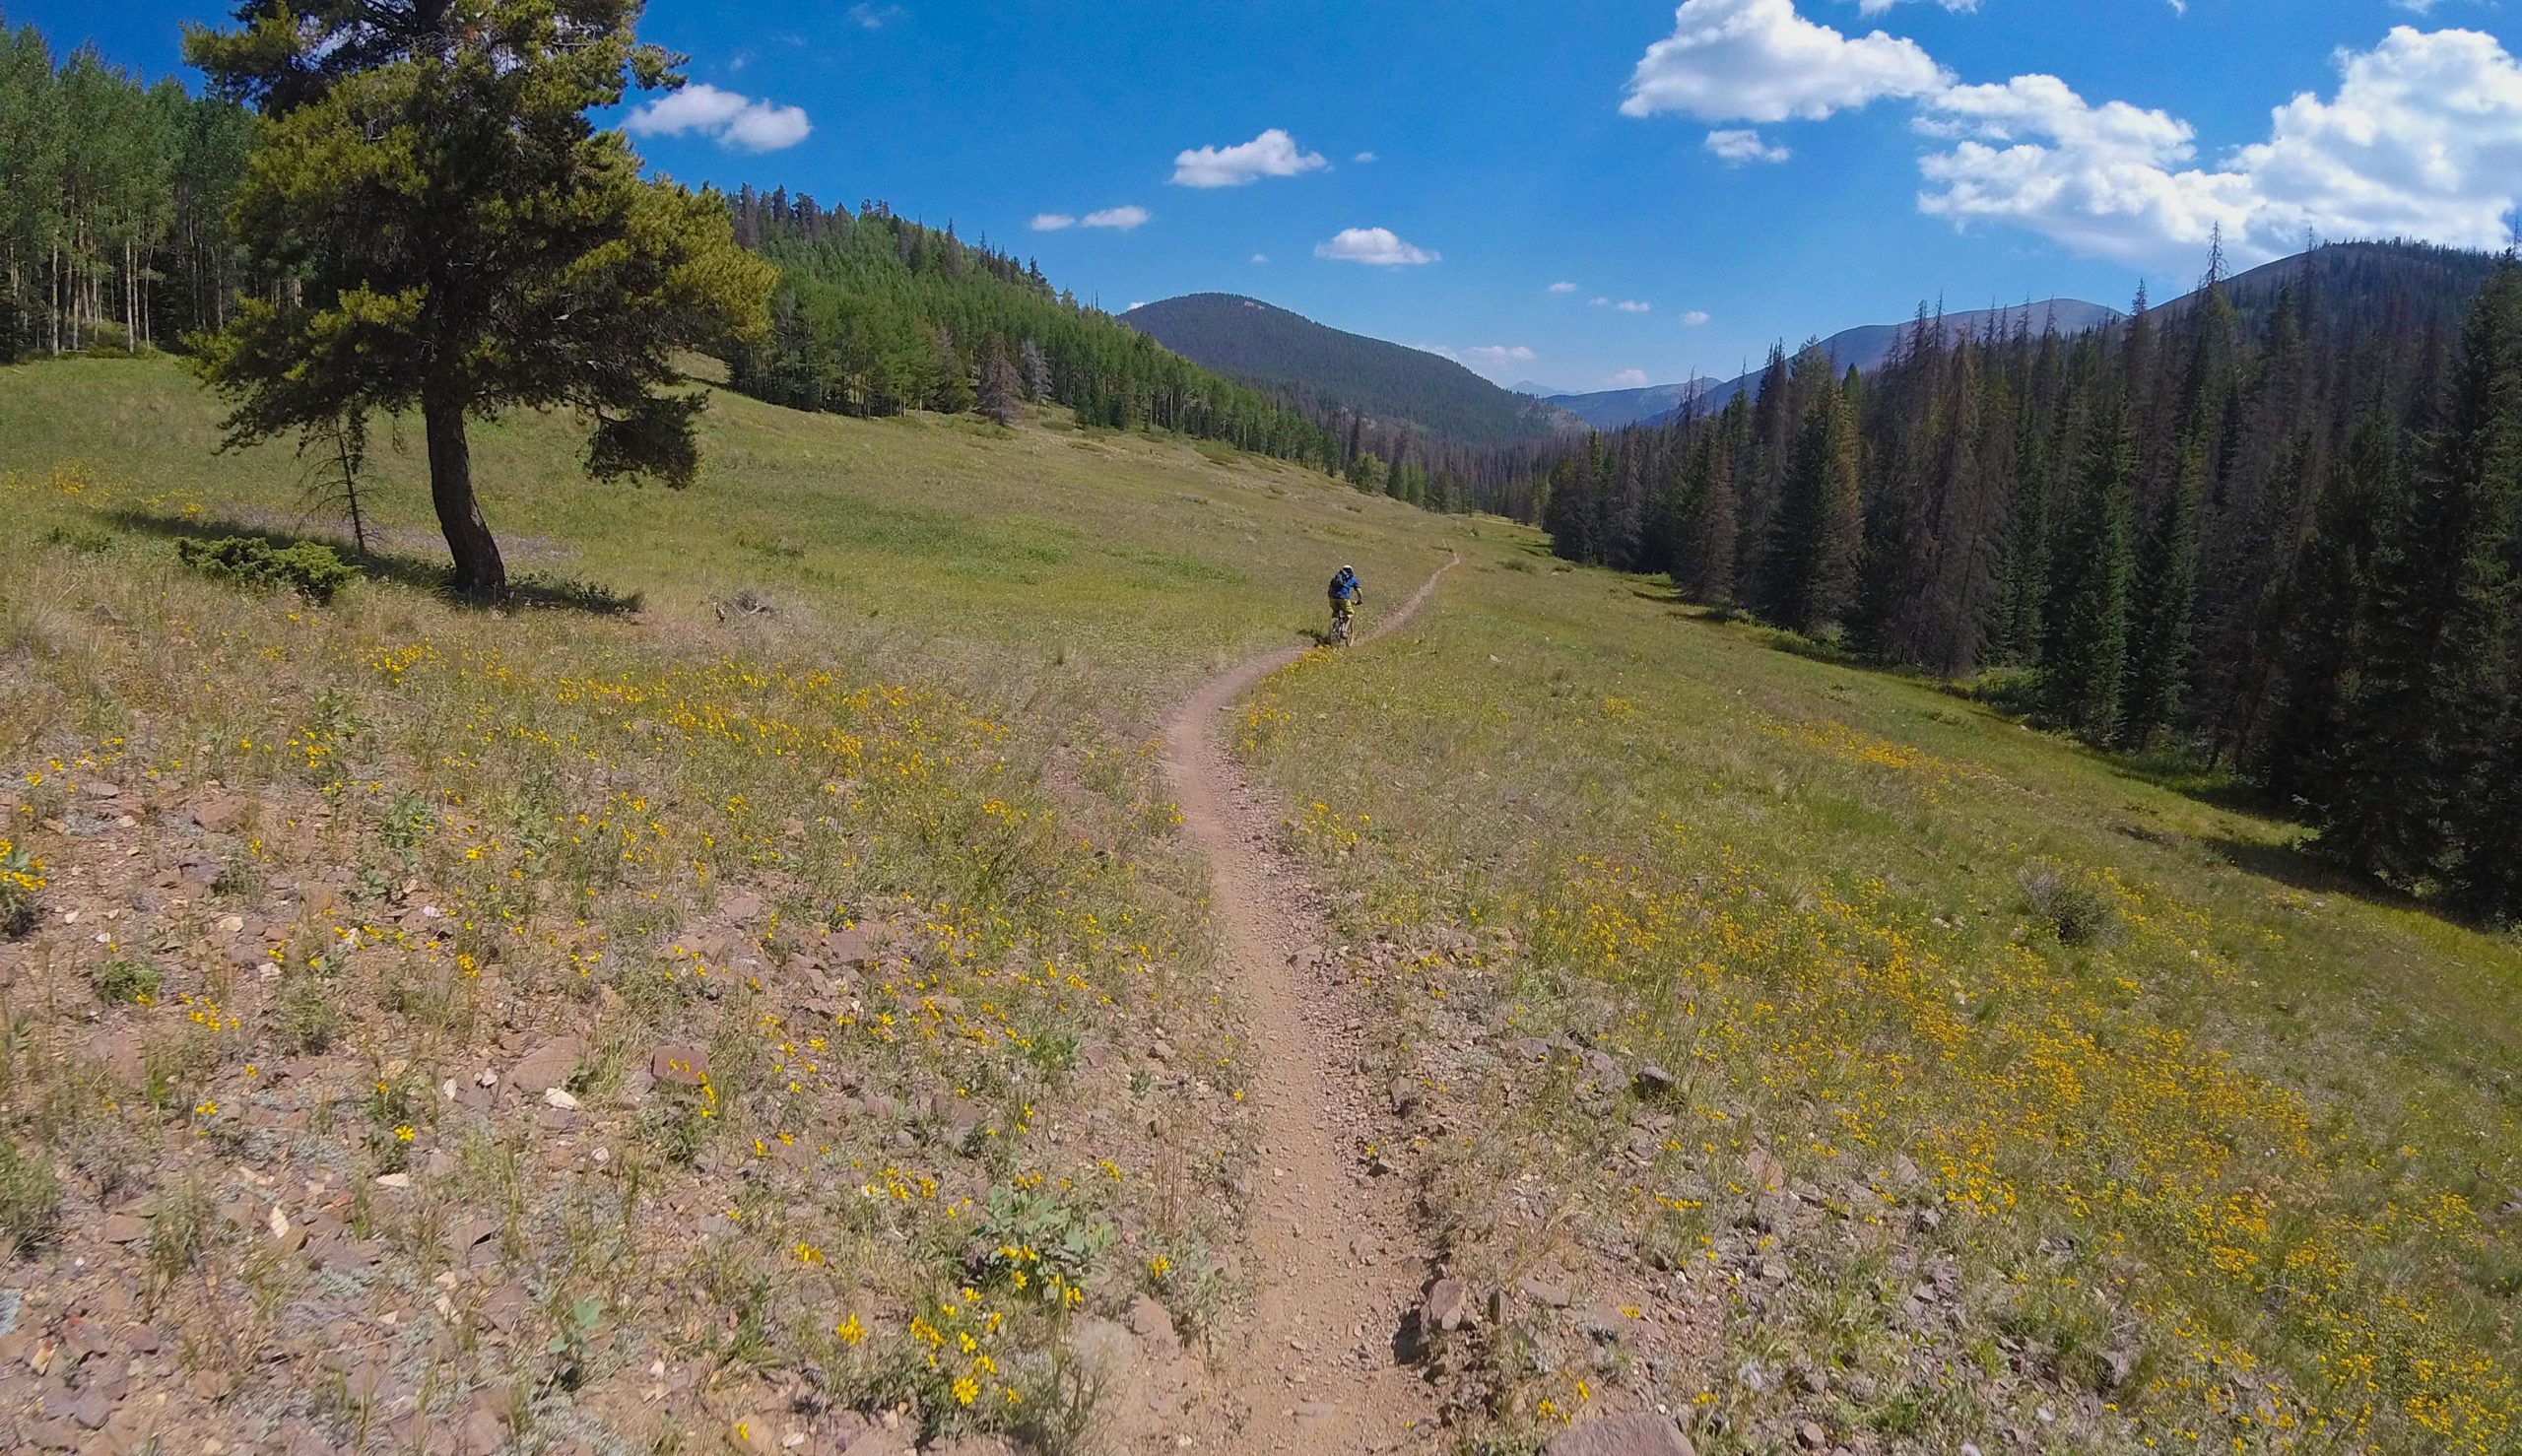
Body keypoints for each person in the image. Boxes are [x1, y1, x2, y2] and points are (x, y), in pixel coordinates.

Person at [1328, 564, 1363, 641]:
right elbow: (1359, 592)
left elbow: (1330, 586)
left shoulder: (1336, 577)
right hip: (1343, 599)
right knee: (1349, 614)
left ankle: (1334, 626)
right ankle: (1344, 632)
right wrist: (1360, 600)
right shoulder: (1352, 579)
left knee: (1336, 611)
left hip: (1332, 598)